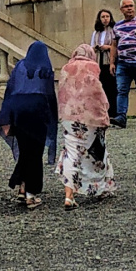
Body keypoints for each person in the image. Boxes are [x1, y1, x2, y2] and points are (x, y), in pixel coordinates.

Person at [0, 41, 57, 209]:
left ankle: (22, 187)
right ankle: (31, 193)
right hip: (38, 110)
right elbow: (50, 93)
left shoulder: (20, 66)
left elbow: (10, 90)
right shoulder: (46, 67)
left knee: (25, 150)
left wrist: (6, 115)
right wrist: (53, 117)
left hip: (18, 110)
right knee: (35, 152)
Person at [54, 44, 114, 207]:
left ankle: (68, 195)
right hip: (90, 116)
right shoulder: (92, 66)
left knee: (71, 153)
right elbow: (97, 91)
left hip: (69, 115)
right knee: (98, 150)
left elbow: (62, 91)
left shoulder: (66, 68)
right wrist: (105, 110)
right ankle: (102, 186)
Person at [91, 7, 118, 116]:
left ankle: (113, 112)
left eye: (107, 16)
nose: (105, 19)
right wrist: (97, 47)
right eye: (103, 17)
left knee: (112, 87)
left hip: (110, 60)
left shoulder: (114, 31)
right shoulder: (96, 33)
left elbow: (116, 46)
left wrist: (107, 47)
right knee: (101, 87)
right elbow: (91, 46)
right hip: (99, 60)